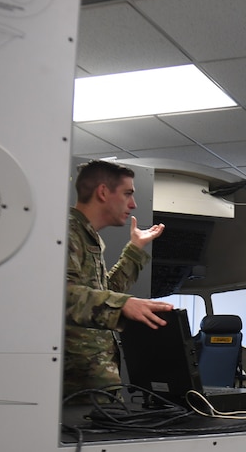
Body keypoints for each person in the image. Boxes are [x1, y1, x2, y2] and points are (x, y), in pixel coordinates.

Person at [64, 160, 173, 400]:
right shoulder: (66, 234)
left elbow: (104, 292)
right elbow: (60, 296)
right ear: (103, 192)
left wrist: (135, 249)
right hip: (75, 386)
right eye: (127, 194)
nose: (133, 205)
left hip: (92, 383)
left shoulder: (85, 236)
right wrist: (123, 304)